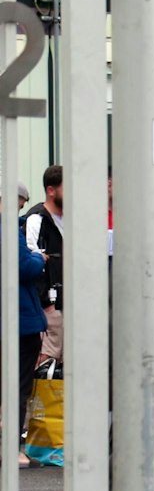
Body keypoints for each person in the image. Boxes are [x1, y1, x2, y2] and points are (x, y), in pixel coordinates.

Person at [22, 166, 63, 365]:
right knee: (46, 359)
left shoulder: (72, 218)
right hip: (48, 305)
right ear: (51, 190)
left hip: (68, 304)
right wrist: (45, 301)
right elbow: (31, 258)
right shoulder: (37, 219)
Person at [14, 225, 45, 467]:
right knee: (18, 387)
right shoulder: (8, 229)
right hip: (19, 320)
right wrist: (38, 257)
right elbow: (24, 266)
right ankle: (14, 450)